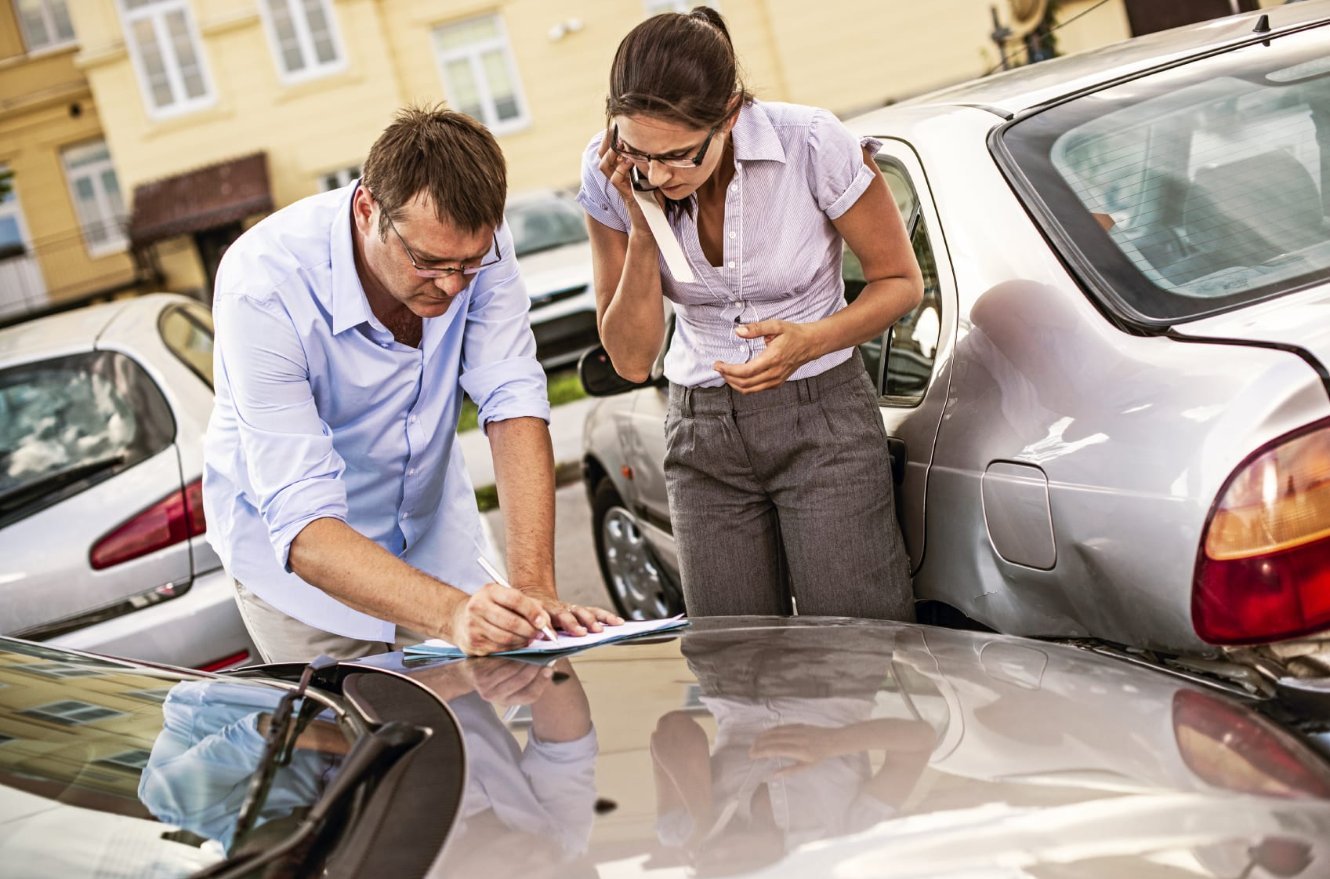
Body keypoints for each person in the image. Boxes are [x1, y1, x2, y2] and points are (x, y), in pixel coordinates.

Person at [204, 105, 621, 663]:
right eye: (427, 262)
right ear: (367, 208)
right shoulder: (262, 288)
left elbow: (512, 398)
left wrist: (534, 589)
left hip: (433, 534)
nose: (451, 287)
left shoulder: (477, 244)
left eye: (467, 265)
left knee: (488, 722)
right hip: (307, 577)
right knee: (354, 741)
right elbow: (303, 523)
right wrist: (451, 615)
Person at [577, 9, 923, 619]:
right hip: (701, 434)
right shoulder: (613, 174)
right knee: (738, 663)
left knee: (859, 650)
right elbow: (631, 360)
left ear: (730, 114)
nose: (656, 173)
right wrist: (640, 225)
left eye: (680, 155)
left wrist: (811, 341)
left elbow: (899, 283)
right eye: (637, 152)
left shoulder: (811, 142)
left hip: (822, 423)